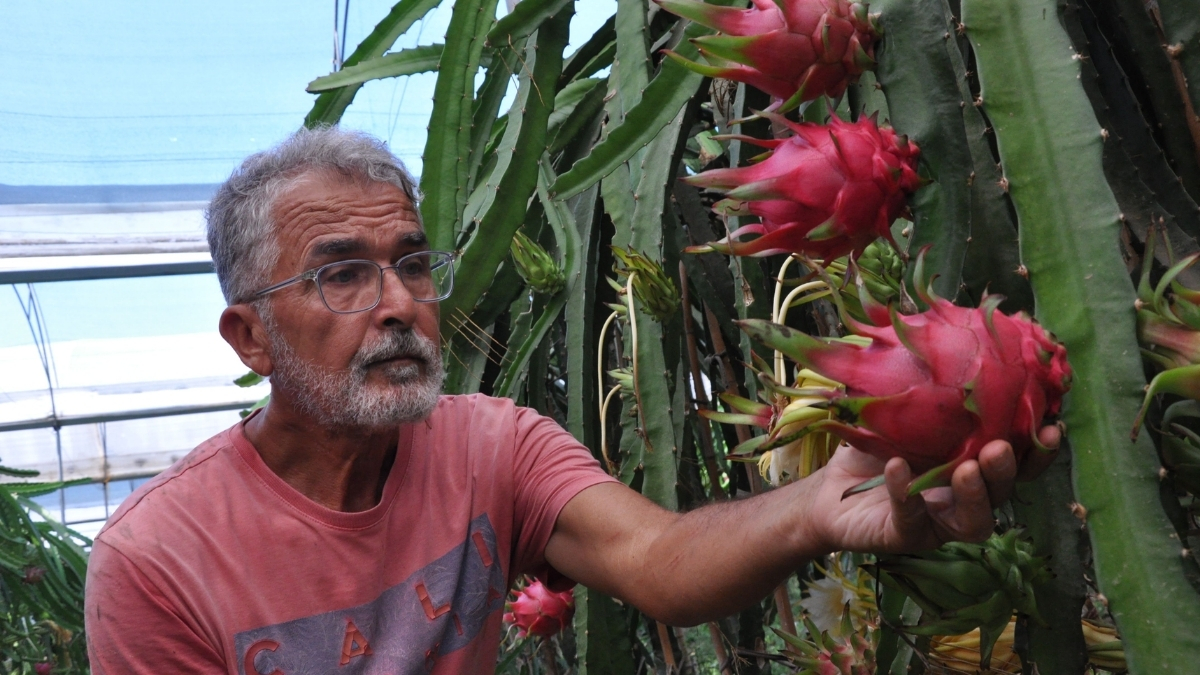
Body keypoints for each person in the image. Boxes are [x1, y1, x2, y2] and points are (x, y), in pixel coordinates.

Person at [83, 127, 1059, 674]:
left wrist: (812, 509)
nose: (398, 306)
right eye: (340, 275)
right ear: (249, 336)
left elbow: (658, 558)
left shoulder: (488, 443)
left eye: (413, 264)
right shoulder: (156, 563)